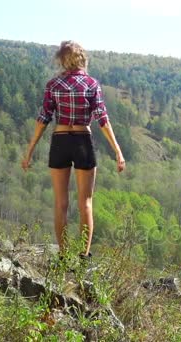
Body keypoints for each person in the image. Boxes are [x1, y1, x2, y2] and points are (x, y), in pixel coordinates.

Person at [21, 40, 125, 258]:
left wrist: (30, 151)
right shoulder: (91, 84)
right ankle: (84, 257)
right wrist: (117, 150)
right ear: (82, 59)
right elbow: (102, 119)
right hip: (82, 141)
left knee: (61, 203)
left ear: (62, 60)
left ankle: (63, 255)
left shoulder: (53, 85)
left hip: (60, 141)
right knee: (85, 203)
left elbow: (43, 119)